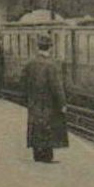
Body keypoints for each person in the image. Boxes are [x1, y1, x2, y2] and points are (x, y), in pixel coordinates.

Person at [21, 34, 68, 163]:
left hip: (34, 101)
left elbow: (22, 82)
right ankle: (47, 156)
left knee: (36, 126)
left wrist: (28, 97)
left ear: (38, 47)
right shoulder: (51, 65)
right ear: (50, 48)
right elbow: (57, 86)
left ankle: (37, 155)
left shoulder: (30, 63)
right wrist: (62, 103)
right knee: (48, 127)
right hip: (48, 102)